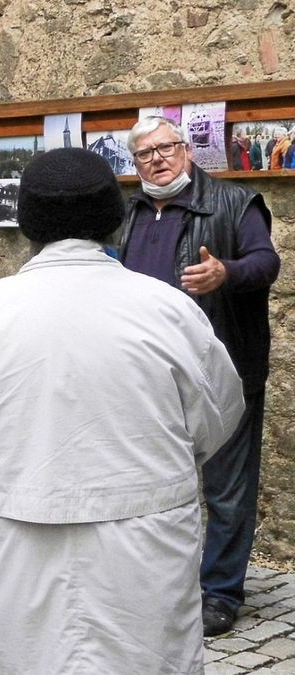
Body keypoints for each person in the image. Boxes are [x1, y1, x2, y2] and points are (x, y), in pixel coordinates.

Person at [0, 147, 245, 674]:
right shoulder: (169, 311)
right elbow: (217, 418)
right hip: (141, 549)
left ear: (27, 223)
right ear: (113, 219)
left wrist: (7, 477)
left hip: (12, 547)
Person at [118, 115, 280, 637]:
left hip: (223, 370)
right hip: (146, 375)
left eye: (167, 148)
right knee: (151, 482)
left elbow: (267, 263)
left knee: (226, 489)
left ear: (186, 150)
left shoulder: (235, 203)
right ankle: (158, 583)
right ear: (135, 162)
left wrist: (225, 273)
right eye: (145, 154)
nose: (158, 159)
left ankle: (219, 593)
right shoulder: (127, 215)